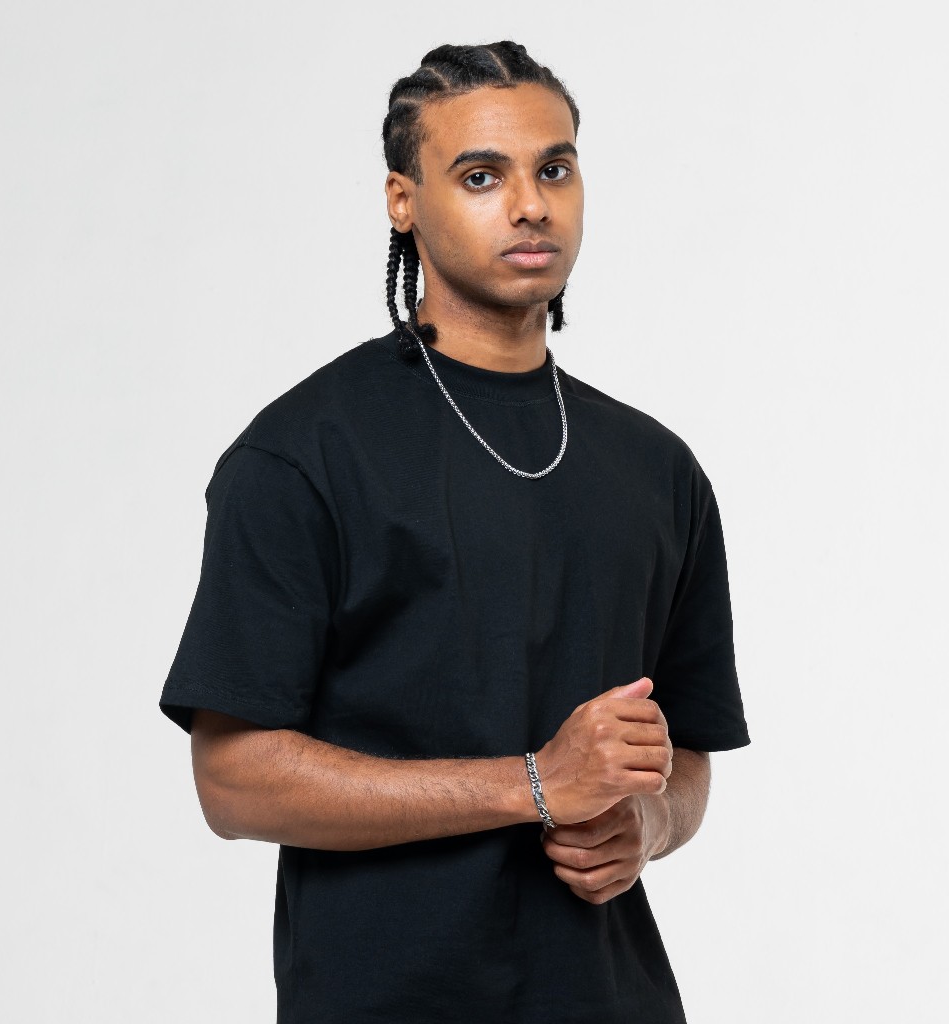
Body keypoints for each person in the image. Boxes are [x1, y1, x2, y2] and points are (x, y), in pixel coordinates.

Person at [159, 40, 750, 1024]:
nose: (529, 205)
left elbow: (686, 756)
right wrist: (533, 784)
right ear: (403, 200)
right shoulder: (303, 454)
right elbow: (233, 781)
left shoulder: (657, 470)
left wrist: (647, 824)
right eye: (481, 176)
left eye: (553, 169)